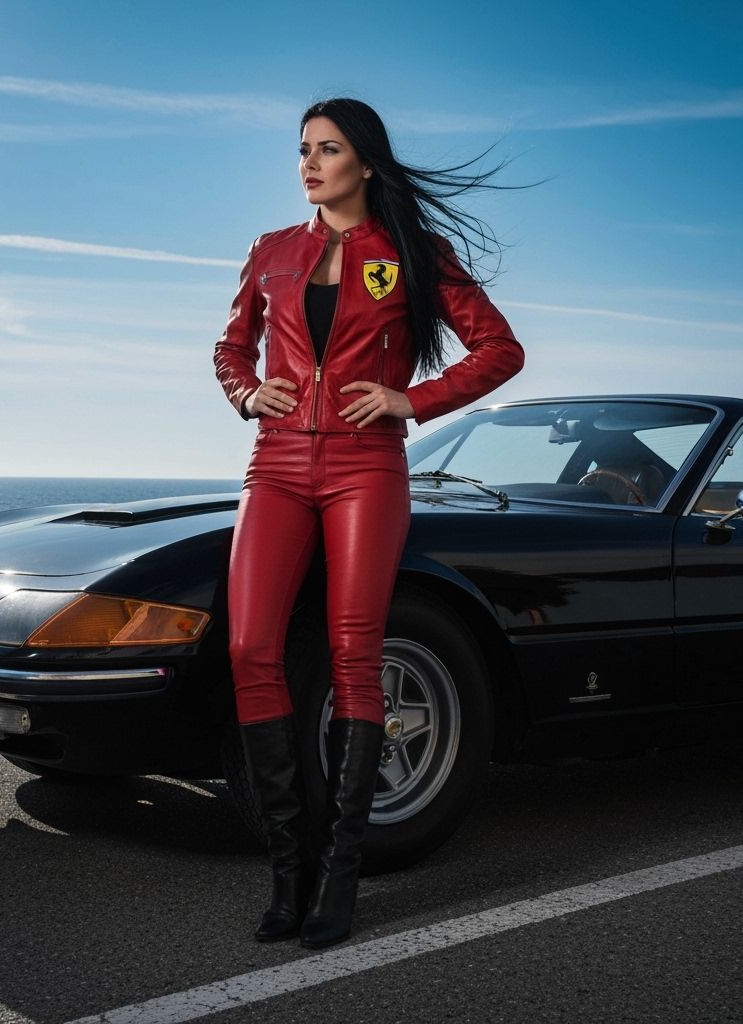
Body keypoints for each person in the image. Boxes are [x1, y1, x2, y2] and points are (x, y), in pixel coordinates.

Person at [214, 97, 524, 949]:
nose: (309, 165)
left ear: (366, 163)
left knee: (356, 653)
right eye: (303, 150)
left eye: (328, 150)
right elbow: (231, 347)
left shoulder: (414, 253)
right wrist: (247, 392)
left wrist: (411, 399)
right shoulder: (271, 251)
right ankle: (288, 870)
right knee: (250, 649)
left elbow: (500, 349)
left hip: (367, 468)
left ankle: (338, 874)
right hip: (276, 464)